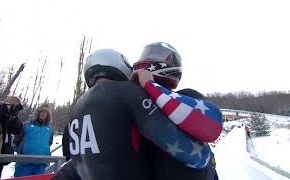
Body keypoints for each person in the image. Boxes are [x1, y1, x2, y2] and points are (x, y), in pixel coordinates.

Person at [65, 48, 220, 180]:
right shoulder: (128, 96)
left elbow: (76, 163)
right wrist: (209, 160)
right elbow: (193, 153)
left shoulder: (77, 110)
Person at [132, 42, 221, 179]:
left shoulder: (188, 96)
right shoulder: (132, 103)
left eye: (156, 54)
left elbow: (213, 124)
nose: (147, 57)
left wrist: (150, 85)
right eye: (146, 53)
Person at [13, 104, 53, 177]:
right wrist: (21, 153)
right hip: (24, 162)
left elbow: (49, 143)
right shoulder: (26, 125)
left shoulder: (49, 129)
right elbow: (16, 141)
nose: (43, 114)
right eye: (42, 112)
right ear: (38, 113)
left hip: (41, 163)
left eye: (45, 113)